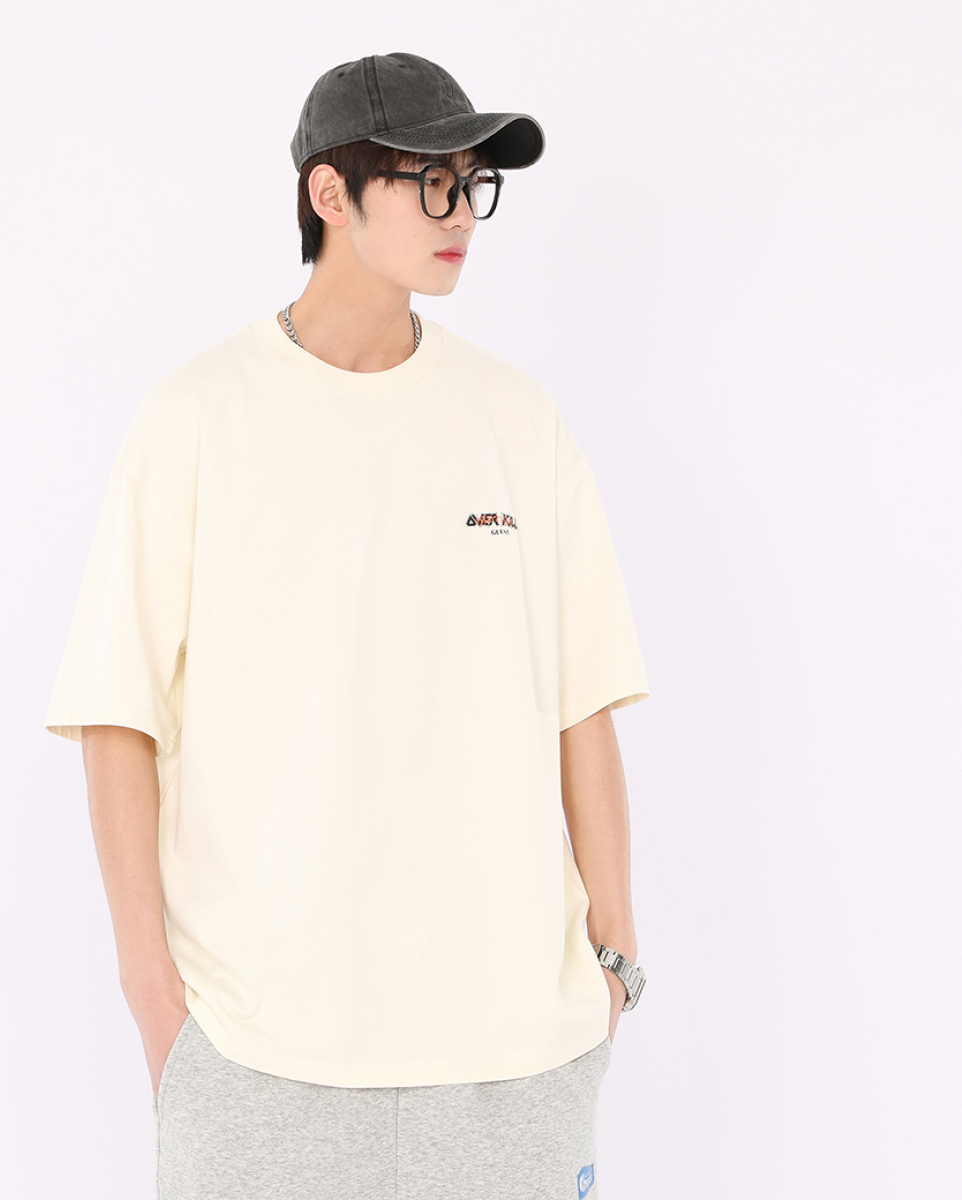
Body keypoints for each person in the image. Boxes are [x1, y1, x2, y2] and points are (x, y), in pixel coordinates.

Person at [45, 51, 650, 1200]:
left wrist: (614, 958)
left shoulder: (518, 420)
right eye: (431, 181)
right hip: (257, 1057)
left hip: (516, 1056)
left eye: (472, 184)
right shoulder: (197, 418)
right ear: (330, 193)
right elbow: (118, 715)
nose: (460, 212)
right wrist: (153, 1000)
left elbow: (584, 701)